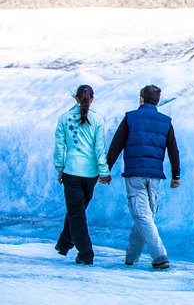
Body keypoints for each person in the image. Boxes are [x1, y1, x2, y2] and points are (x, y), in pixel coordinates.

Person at [106, 84, 181, 270]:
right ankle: (131, 256)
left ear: (141, 98)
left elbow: (116, 144)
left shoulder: (131, 117)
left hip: (134, 174)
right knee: (145, 216)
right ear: (158, 100)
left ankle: (160, 256)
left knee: (142, 215)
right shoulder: (165, 121)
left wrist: (105, 169)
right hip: (154, 176)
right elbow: (173, 149)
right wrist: (175, 175)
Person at [54, 84, 111, 265]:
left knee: (76, 212)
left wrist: (59, 169)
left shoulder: (64, 118)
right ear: (91, 99)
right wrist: (104, 172)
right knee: (77, 210)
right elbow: (100, 149)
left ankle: (85, 254)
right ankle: (64, 244)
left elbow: (60, 147)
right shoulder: (98, 120)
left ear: (76, 98)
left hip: (71, 171)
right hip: (91, 174)